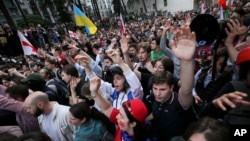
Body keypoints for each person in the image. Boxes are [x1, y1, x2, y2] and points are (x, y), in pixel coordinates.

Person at [146, 27, 197, 141]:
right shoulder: (155, 97)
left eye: (163, 89)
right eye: (155, 88)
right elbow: (156, 113)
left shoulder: (179, 101)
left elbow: (186, 89)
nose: (158, 93)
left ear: (171, 87)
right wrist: (142, 120)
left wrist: (186, 61)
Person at [89, 76, 149, 141]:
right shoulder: (125, 124)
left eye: (122, 116)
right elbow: (107, 108)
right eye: (119, 113)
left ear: (133, 124)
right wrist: (95, 92)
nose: (117, 116)